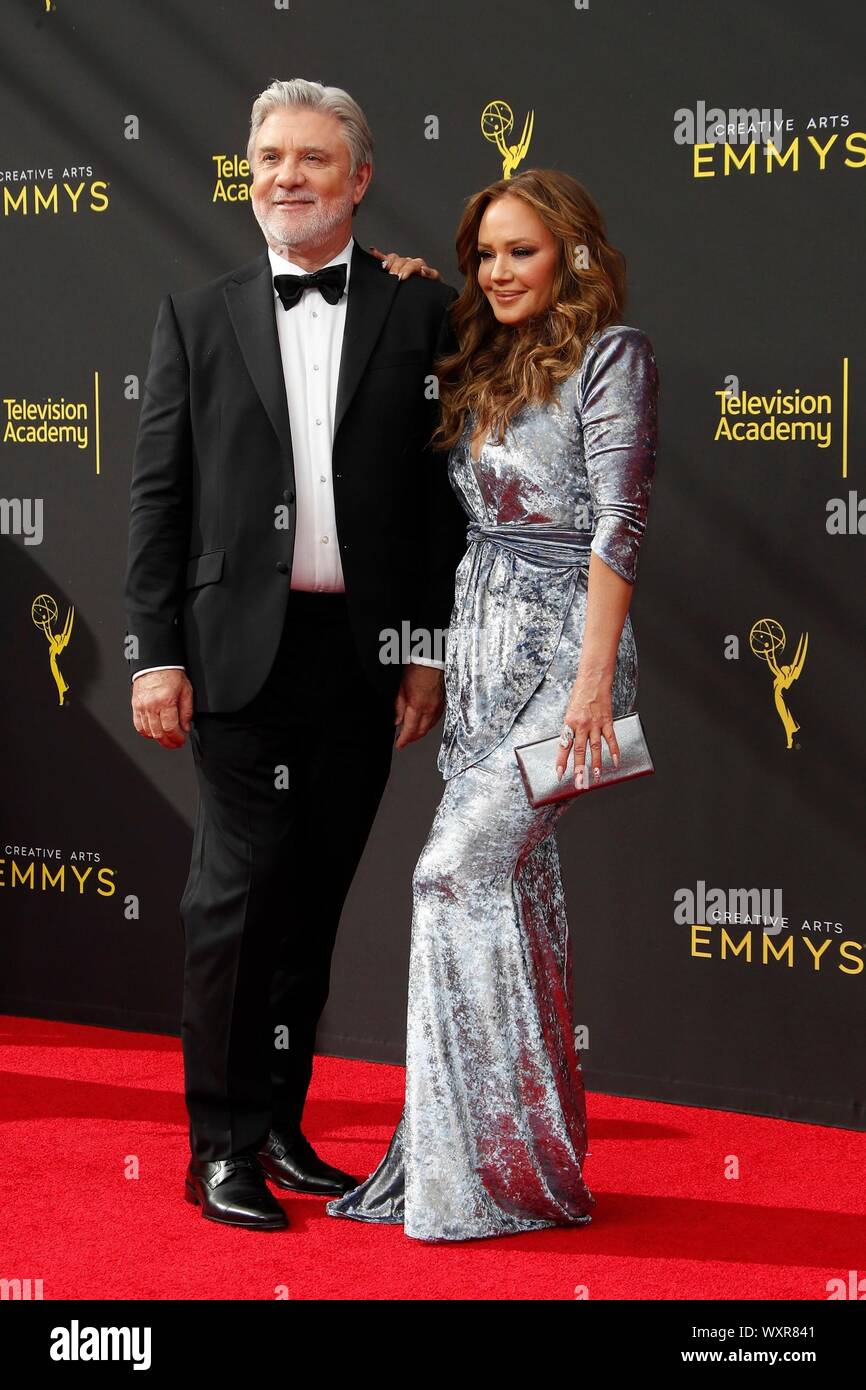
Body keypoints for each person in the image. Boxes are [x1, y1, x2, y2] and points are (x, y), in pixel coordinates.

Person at [124, 78, 466, 1231]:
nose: (283, 176)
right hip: (233, 658)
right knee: (233, 898)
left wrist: (425, 652)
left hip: (361, 660)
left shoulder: (420, 312)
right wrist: (152, 654)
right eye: (267, 155)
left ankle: (277, 1123)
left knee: (310, 901)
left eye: (312, 160)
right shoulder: (196, 314)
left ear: (359, 179)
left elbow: (437, 506)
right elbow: (158, 501)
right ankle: (216, 1147)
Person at [327, 168, 660, 1242]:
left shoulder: (613, 355)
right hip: (479, 651)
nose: (499, 270)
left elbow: (618, 522)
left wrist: (594, 683)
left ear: (569, 254)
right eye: (484, 253)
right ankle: (520, 1164)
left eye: (521, 250)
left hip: (566, 661)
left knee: (451, 874)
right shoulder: (483, 357)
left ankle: (479, 1171)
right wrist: (399, 274)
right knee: (517, 896)